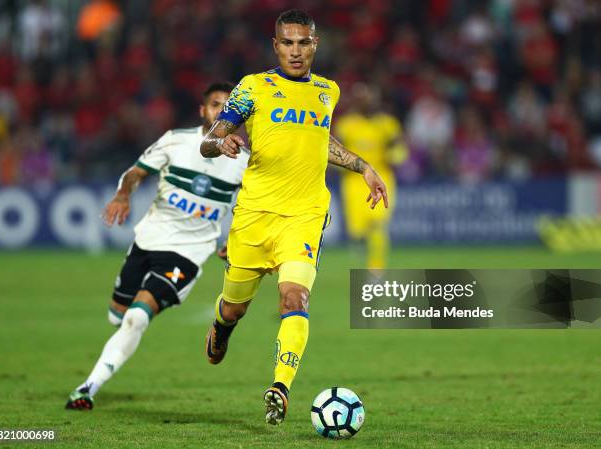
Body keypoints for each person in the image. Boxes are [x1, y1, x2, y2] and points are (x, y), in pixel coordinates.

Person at [200, 10, 388, 425]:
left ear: (315, 45)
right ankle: (221, 326)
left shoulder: (328, 91)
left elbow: (321, 139)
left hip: (304, 214)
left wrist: (362, 167)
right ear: (276, 45)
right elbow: (210, 140)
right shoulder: (254, 87)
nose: (296, 51)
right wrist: (223, 140)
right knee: (233, 309)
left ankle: (279, 388)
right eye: (288, 43)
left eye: (303, 42)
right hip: (254, 215)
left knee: (294, 298)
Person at [65, 82, 249, 410]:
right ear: (202, 111)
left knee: (137, 318)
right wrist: (123, 194)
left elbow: (251, 207)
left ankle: (87, 388)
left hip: (188, 254)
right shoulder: (176, 141)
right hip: (148, 239)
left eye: (227, 107)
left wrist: (235, 240)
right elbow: (136, 172)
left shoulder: (244, 161)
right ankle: (112, 347)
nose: (221, 111)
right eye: (214, 105)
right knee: (117, 316)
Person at [335, 82, 407, 269]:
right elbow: (335, 150)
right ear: (356, 102)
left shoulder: (387, 124)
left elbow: (399, 148)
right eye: (362, 99)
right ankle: (360, 261)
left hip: (381, 176)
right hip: (353, 181)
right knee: (357, 231)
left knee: (378, 223)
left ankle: (376, 268)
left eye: (370, 98)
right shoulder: (347, 125)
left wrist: (395, 156)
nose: (367, 102)